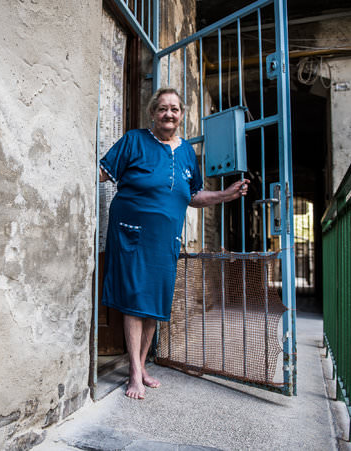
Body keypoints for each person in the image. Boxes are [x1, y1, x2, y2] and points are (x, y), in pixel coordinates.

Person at [99, 87, 249, 399]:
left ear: (181, 115)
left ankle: (140, 366)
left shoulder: (186, 153)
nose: (169, 114)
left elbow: (194, 195)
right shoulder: (134, 140)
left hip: (165, 238)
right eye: (163, 109)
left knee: (155, 304)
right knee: (135, 301)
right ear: (152, 113)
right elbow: (102, 172)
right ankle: (134, 375)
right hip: (131, 233)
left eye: (175, 109)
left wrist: (226, 194)